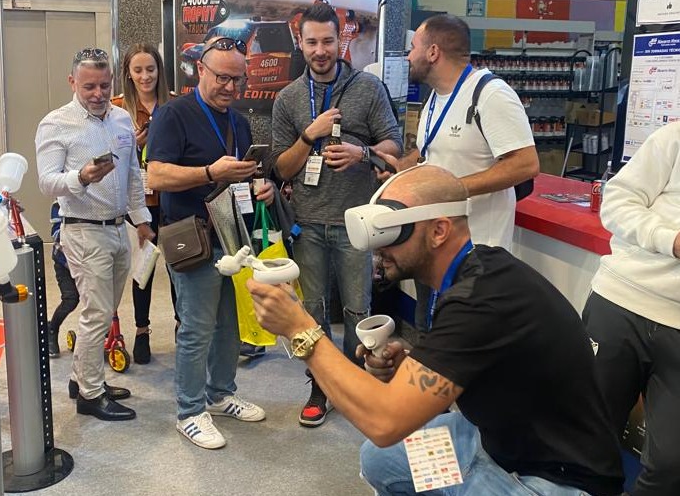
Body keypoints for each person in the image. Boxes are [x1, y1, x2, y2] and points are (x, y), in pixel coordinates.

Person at [248, 165, 624, 496]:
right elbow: (480, 362)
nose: (378, 248)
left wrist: (302, 329)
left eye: (393, 230)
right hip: (497, 440)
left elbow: (384, 422)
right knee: (382, 460)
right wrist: (415, 365)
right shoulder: (476, 271)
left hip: (556, 479)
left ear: (439, 230)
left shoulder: (481, 300)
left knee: (386, 436)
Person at [272, 1, 402, 427]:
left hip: (357, 224)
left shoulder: (368, 88)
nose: (320, 50)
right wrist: (310, 135)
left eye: (328, 41)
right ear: (300, 42)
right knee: (311, 312)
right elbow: (281, 168)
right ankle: (322, 386)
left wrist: (361, 152)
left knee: (358, 311)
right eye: (312, 42)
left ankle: (358, 385)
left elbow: (394, 148)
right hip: (307, 223)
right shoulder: (288, 99)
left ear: (340, 39)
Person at [147, 35, 274, 450]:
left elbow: (239, 176)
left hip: (232, 236)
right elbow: (156, 175)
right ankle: (189, 411)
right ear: (200, 69)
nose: (230, 88)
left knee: (229, 326)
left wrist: (259, 186)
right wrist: (209, 172)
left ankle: (220, 394)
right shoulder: (173, 114)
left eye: (238, 80)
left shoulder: (238, 122)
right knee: (197, 328)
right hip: (193, 239)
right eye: (222, 78)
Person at [35, 47, 154, 421]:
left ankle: (81, 378)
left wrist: (142, 219)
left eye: (104, 85)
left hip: (119, 229)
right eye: (89, 86)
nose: (98, 94)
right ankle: (90, 394)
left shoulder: (121, 118)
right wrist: (81, 177)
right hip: (83, 231)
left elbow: (132, 175)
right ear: (72, 82)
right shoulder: (56, 123)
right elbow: (46, 182)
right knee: (96, 313)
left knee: (103, 312)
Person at [583, 121, 680, 495]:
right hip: (622, 302)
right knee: (587, 436)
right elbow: (617, 202)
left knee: (672, 466)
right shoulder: (673, 138)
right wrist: (670, 240)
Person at [387, 14, 539, 249]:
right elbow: (432, 149)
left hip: (479, 248)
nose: (409, 57)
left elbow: (526, 164)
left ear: (433, 52)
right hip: (439, 244)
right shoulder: (435, 95)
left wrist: (455, 189)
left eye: (413, 47)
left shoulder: (491, 94)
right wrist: (402, 167)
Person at [111, 43, 178, 364]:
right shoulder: (116, 109)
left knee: (179, 264)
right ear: (128, 73)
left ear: (159, 71)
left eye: (150, 69)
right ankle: (141, 330)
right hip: (138, 201)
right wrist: (133, 148)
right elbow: (107, 160)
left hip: (174, 196)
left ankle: (182, 324)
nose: (145, 76)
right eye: (137, 70)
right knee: (144, 268)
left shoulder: (176, 105)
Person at [46, 201, 78, 359]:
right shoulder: (59, 204)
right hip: (64, 263)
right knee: (71, 299)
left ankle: (99, 335)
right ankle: (52, 329)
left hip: (90, 262)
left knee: (97, 300)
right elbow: (57, 234)